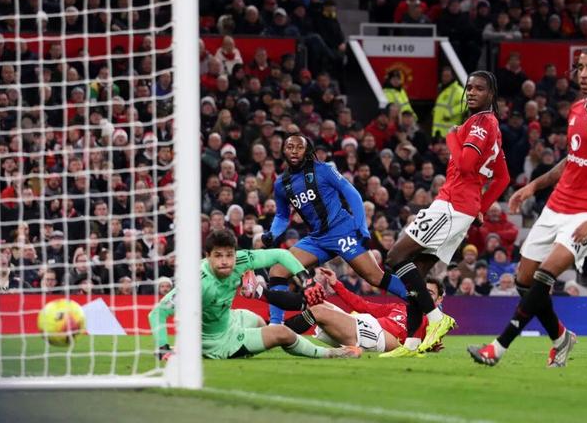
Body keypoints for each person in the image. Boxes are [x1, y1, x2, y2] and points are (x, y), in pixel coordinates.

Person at [469, 45, 587, 367]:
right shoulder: (576, 109)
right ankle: (561, 338)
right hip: (558, 204)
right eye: (580, 67)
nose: (583, 74)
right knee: (524, 280)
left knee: (545, 274)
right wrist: (533, 186)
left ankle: (498, 348)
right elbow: (572, 159)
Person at [381, 71, 510, 357]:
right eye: (469, 88)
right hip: (462, 207)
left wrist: (451, 136)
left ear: (491, 94)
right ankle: (411, 343)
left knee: (395, 257)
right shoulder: (493, 126)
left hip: (452, 204)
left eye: (479, 88)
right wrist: (481, 207)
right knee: (417, 272)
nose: (472, 92)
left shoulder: (479, 124)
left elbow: (464, 165)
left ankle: (437, 318)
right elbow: (502, 178)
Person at [261, 133, 408, 324]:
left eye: (299, 147)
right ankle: (275, 325)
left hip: (342, 231)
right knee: (278, 270)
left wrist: (362, 228)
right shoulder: (281, 184)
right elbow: (282, 215)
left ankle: (423, 302)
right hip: (317, 239)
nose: (294, 151)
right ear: (283, 151)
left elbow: (352, 193)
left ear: (307, 150)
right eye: (290, 147)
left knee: (375, 277)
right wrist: (272, 233)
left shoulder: (324, 170)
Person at [148, 230, 361, 360]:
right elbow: (157, 313)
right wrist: (162, 348)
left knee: (259, 321)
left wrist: (306, 280)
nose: (225, 261)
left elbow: (280, 254)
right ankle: (330, 353)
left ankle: (255, 340)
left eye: (229, 255)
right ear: (207, 256)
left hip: (229, 319)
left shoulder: (241, 260)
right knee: (282, 333)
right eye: (218, 256)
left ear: (235, 254)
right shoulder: (197, 283)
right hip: (217, 342)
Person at [244, 267, 445, 353]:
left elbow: (427, 341)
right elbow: (362, 306)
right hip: (367, 325)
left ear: (439, 299)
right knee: (316, 303)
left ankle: (267, 332)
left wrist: (430, 346)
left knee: (319, 312)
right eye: (422, 291)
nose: (424, 296)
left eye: (430, 293)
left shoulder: (435, 320)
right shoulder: (401, 307)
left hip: (379, 338)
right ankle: (261, 299)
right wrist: (336, 284)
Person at [432, 66, 465, 138]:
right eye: (443, 76)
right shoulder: (442, 89)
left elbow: (465, 105)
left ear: (452, 77)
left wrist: (449, 113)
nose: (444, 78)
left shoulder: (458, 90)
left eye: (447, 76)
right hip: (438, 131)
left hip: (449, 132)